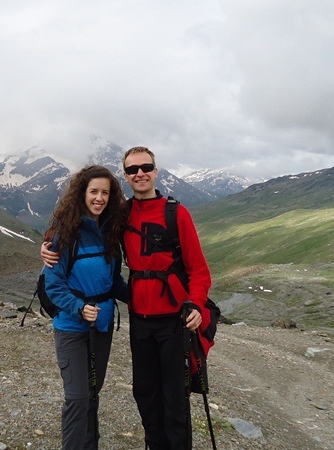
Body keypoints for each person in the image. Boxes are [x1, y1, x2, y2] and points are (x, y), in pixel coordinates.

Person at [42, 147, 212, 450]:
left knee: (175, 398)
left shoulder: (176, 213)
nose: (140, 173)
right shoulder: (122, 213)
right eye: (133, 170)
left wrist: (197, 304)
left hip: (174, 319)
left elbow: (198, 269)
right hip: (140, 321)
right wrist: (47, 244)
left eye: (146, 167)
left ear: (156, 171)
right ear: (126, 176)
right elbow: (79, 227)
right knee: (145, 393)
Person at [42, 165, 128, 450]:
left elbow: (113, 281)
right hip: (71, 328)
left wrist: (146, 299)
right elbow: (53, 286)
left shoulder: (110, 231)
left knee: (92, 394)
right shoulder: (64, 234)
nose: (100, 198)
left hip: (101, 328)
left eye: (105, 192)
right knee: (77, 397)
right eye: (94, 191)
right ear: (82, 194)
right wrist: (79, 308)